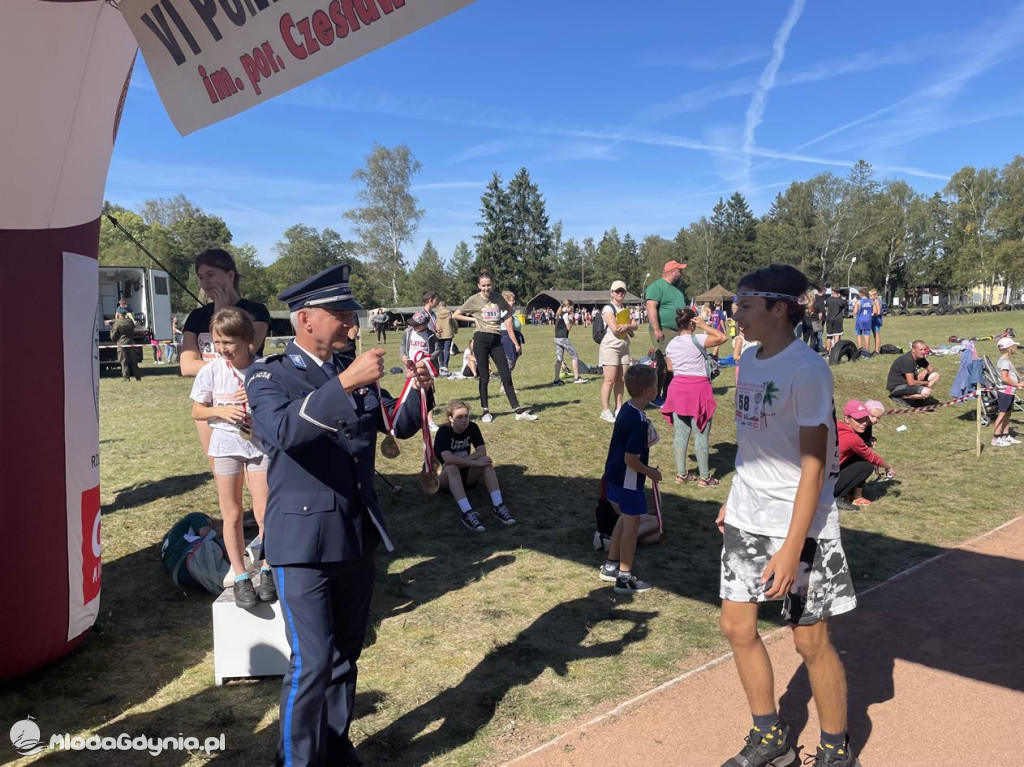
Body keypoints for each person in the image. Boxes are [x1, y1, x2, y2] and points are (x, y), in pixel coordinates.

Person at [245, 264, 434, 767]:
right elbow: (284, 431)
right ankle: (297, 760)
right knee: (311, 661)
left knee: (346, 656)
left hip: (355, 533)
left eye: (352, 315)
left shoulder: (354, 373)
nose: (353, 325)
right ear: (306, 319)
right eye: (343, 314)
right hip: (301, 541)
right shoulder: (268, 373)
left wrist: (419, 387)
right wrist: (346, 383)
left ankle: (334, 746)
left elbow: (402, 424)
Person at [717, 264, 859, 767]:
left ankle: (835, 750)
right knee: (736, 627)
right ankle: (771, 737)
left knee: (809, 640)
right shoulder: (749, 359)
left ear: (780, 308)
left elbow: (815, 466)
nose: (736, 315)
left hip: (801, 525)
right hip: (747, 516)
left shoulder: (808, 369)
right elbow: (755, 442)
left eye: (745, 305)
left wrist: (792, 546)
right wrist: (734, 497)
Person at [189, 307, 274, 608]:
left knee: (264, 513)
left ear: (248, 341)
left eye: (229, 342)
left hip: (259, 448)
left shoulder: (263, 369)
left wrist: (257, 399)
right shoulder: (211, 370)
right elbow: (197, 410)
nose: (222, 349)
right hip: (225, 447)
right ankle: (240, 576)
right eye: (217, 342)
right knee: (233, 515)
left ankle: (267, 568)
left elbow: (277, 407)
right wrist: (219, 411)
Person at [180, 249, 271, 469]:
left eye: (211, 275)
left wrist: (223, 313)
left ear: (230, 275)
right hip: (210, 400)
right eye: (201, 277)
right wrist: (215, 314)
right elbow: (187, 365)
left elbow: (246, 352)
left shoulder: (256, 312)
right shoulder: (196, 317)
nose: (205, 283)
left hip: (246, 398)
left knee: (256, 467)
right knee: (221, 471)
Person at [597, 364, 662, 594]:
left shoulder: (626, 408)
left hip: (613, 476)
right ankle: (625, 577)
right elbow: (631, 459)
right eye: (655, 385)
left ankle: (610, 565)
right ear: (648, 391)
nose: (657, 388)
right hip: (628, 480)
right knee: (631, 525)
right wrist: (651, 472)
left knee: (624, 520)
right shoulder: (639, 421)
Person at [452, 271, 537, 422]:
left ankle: (518, 411)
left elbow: (510, 310)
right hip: (481, 340)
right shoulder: (473, 299)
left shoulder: (498, 297)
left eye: (489, 285)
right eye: (483, 285)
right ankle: (485, 411)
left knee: (506, 374)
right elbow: (455, 315)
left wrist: (502, 318)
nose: (486, 288)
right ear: (478, 286)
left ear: (493, 285)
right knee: (484, 377)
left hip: (496, 339)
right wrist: (473, 320)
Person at [661, 307, 728, 487]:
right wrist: (704, 325)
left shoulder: (671, 344)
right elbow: (722, 338)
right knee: (701, 434)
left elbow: (670, 368)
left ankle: (681, 474)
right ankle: (704, 478)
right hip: (698, 390)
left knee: (680, 435)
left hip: (677, 389)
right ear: (692, 322)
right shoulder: (697, 338)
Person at [433, 400, 516, 531]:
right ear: (450, 418)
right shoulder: (444, 431)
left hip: (466, 475)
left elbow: (482, 451)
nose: (464, 420)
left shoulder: (472, 427)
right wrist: (473, 462)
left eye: (466, 416)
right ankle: (467, 513)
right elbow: (448, 459)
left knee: (486, 461)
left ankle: (498, 506)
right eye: (459, 417)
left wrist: (470, 461)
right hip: (445, 478)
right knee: (452, 467)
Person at [834, 399, 894, 509]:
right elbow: (871, 457)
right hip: (825, 482)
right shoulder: (852, 438)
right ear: (847, 418)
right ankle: (837, 497)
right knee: (867, 466)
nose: (864, 423)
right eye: (859, 420)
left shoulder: (835, 426)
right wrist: (888, 467)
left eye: (865, 419)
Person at [644, 260, 689, 406]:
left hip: (678, 331)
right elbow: (651, 307)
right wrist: (657, 329)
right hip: (663, 330)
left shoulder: (677, 290)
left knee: (674, 363)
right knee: (664, 364)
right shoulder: (656, 287)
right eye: (679, 270)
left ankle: (668, 394)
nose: (681, 273)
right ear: (672, 272)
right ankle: (654, 396)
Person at [599, 280, 638, 423]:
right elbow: (615, 328)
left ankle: (619, 408)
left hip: (624, 346)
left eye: (622, 291)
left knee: (622, 379)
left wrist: (626, 325)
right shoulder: (608, 309)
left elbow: (635, 325)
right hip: (611, 347)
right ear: (612, 293)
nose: (620, 293)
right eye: (617, 291)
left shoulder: (625, 309)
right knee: (609, 380)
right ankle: (605, 410)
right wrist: (628, 325)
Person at [992, 336, 1024, 446]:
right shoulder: (1004, 361)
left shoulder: (1007, 360)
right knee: (1002, 414)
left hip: (1010, 391)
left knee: (1007, 414)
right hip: (1006, 391)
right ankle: (996, 437)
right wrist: (1018, 384)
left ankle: (1005, 436)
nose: (1015, 347)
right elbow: (1005, 378)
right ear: (1009, 348)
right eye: (1014, 346)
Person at [552, 299, 588, 386]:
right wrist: (571, 319)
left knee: (559, 359)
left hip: (557, 338)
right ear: (568, 306)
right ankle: (576, 378)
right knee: (574, 355)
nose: (572, 309)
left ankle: (556, 380)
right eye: (572, 307)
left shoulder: (559, 314)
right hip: (563, 338)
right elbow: (569, 328)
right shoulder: (565, 315)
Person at [109, 312, 141, 381]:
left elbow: (113, 335)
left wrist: (114, 338)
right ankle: (138, 377)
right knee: (133, 361)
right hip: (131, 343)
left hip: (122, 344)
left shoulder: (118, 323)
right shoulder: (130, 321)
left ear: (119, 315)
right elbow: (133, 329)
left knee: (123, 361)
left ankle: (126, 377)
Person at [434, 300, 458, 374]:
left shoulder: (435, 314)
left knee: (440, 349)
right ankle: (445, 365)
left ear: (438, 305)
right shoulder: (449, 312)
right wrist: (456, 329)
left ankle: (441, 364)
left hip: (439, 334)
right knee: (447, 349)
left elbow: (433, 323)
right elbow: (454, 322)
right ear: (445, 305)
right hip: (448, 333)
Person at [824, 286, 847, 352]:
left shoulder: (828, 299)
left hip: (829, 319)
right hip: (838, 320)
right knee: (836, 335)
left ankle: (828, 351)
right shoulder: (841, 301)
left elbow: (827, 309)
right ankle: (836, 351)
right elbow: (844, 307)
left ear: (833, 291)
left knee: (829, 336)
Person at [853, 289, 873, 353]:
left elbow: (855, 312)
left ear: (861, 294)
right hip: (868, 320)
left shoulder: (858, 301)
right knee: (867, 335)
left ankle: (860, 349)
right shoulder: (871, 301)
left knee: (859, 335)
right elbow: (875, 311)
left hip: (860, 320)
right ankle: (867, 351)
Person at [869, 289, 884, 354]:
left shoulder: (876, 302)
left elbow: (878, 312)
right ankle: (876, 349)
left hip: (876, 320)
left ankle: (877, 350)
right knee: (874, 335)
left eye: (871, 296)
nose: (870, 297)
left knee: (877, 334)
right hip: (873, 320)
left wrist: (872, 315)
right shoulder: (872, 302)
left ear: (875, 296)